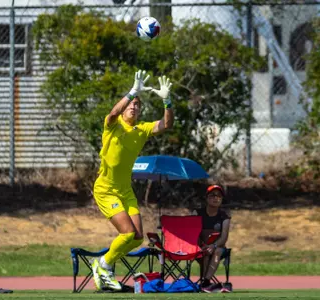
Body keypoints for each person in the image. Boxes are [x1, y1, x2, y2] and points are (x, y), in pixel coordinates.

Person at [91, 70, 174, 291]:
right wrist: (131, 92)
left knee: (137, 238)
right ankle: (103, 265)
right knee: (126, 233)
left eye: (138, 104)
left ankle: (104, 265)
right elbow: (111, 114)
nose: (134, 107)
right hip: (106, 189)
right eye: (131, 104)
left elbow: (167, 125)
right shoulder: (114, 125)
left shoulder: (142, 129)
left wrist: (167, 101)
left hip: (125, 190)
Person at [193, 184, 231, 293]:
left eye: (219, 196)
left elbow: (224, 237)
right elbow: (193, 234)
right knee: (205, 254)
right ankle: (206, 284)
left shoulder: (225, 216)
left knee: (217, 251)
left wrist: (213, 246)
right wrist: (202, 245)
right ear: (206, 198)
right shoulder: (197, 213)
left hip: (218, 247)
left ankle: (205, 282)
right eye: (212, 195)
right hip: (200, 247)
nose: (216, 198)